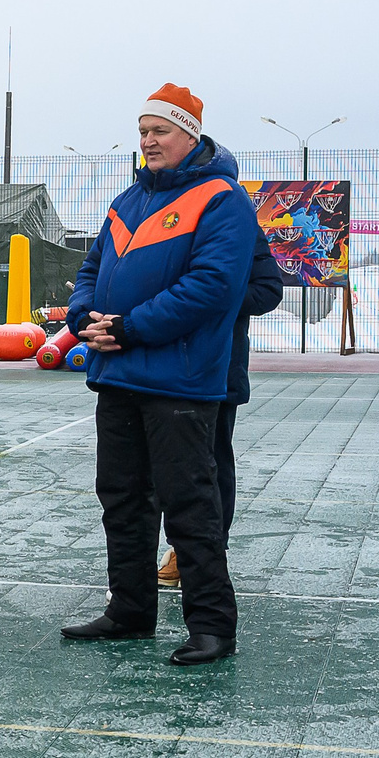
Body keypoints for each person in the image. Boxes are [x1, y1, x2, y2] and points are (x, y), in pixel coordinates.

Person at [61, 83, 256, 665]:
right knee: (120, 497)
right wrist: (83, 318)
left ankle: (212, 626)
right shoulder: (127, 200)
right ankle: (130, 610)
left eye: (160, 131)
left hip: (181, 381)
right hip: (118, 375)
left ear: (190, 134)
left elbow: (211, 287)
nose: (148, 141)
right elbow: (91, 269)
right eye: (143, 131)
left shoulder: (223, 200)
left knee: (190, 505)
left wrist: (128, 328)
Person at [161, 225, 284, 586]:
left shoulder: (237, 223)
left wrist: (210, 297)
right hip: (158, 365)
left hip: (217, 370)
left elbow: (267, 290)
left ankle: (200, 554)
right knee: (158, 467)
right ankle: (161, 558)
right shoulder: (162, 219)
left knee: (210, 463)